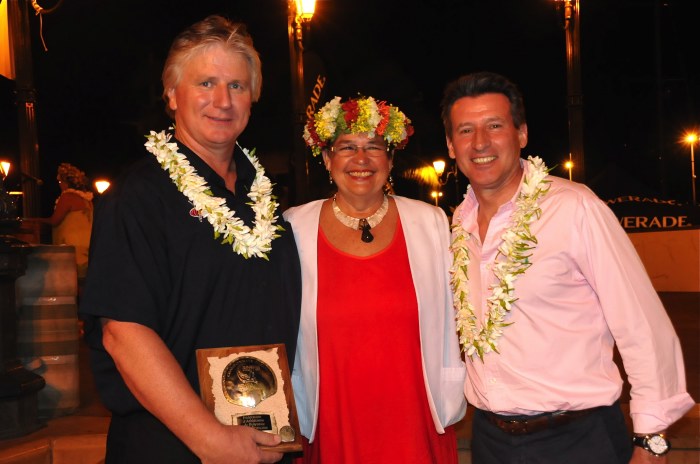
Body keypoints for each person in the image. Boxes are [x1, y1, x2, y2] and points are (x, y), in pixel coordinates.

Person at [79, 16, 301, 464]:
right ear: (171, 93)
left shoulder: (263, 196)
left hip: (260, 440)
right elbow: (124, 334)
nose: (223, 101)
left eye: (237, 86)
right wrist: (208, 438)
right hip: (173, 447)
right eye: (206, 83)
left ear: (253, 98)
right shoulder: (138, 197)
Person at [441, 71, 694, 464]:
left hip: (579, 441)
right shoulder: (460, 221)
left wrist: (650, 438)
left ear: (522, 133)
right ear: (450, 145)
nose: (480, 142)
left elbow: (641, 323)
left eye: (494, 125)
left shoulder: (574, 207)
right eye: (465, 130)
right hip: (491, 440)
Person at [285, 96, 467, 463]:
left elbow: (461, 312)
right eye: (346, 147)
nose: (361, 159)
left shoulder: (430, 223)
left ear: (390, 159)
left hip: (416, 418)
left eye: (374, 147)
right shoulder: (294, 227)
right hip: (331, 418)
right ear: (327, 159)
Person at [34, 162, 94, 279]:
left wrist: (37, 220)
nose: (60, 185)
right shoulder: (87, 200)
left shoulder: (67, 197)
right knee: (84, 279)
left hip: (71, 245)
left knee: (70, 279)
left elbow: (54, 220)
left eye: (60, 182)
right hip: (86, 244)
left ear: (65, 182)